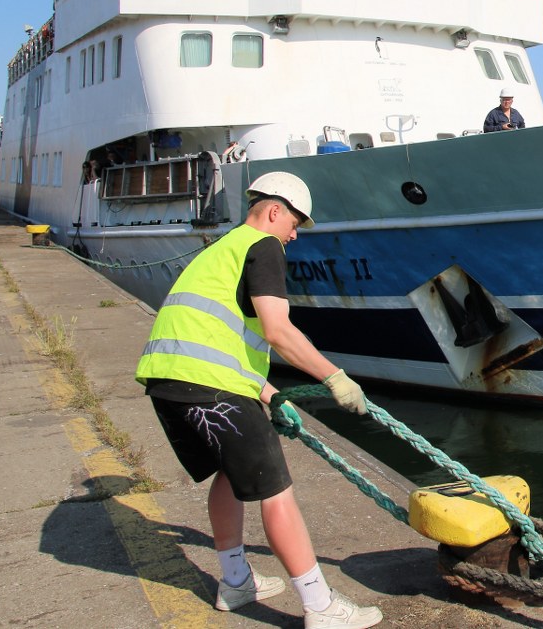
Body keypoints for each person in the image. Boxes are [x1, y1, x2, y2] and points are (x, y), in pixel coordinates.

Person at [135, 172, 383, 629]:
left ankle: (235, 582)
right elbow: (277, 330)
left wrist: (269, 395)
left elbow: (219, 337)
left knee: (231, 475)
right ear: (274, 211)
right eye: (296, 223)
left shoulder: (220, 250)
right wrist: (336, 378)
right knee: (276, 490)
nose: (295, 235)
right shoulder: (264, 246)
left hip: (172, 381)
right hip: (211, 387)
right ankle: (320, 606)